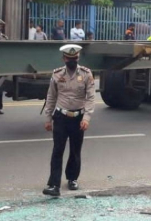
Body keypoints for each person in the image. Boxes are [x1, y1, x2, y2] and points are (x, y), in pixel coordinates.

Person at [42, 44, 95, 197]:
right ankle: (54, 185)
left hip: (78, 118)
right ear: (64, 58)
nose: (72, 61)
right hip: (60, 117)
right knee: (57, 150)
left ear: (78, 58)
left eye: (75, 58)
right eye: (69, 58)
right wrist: (48, 118)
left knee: (75, 150)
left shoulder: (86, 74)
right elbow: (51, 96)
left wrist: (86, 117)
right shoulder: (57, 74)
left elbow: (91, 97)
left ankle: (72, 178)